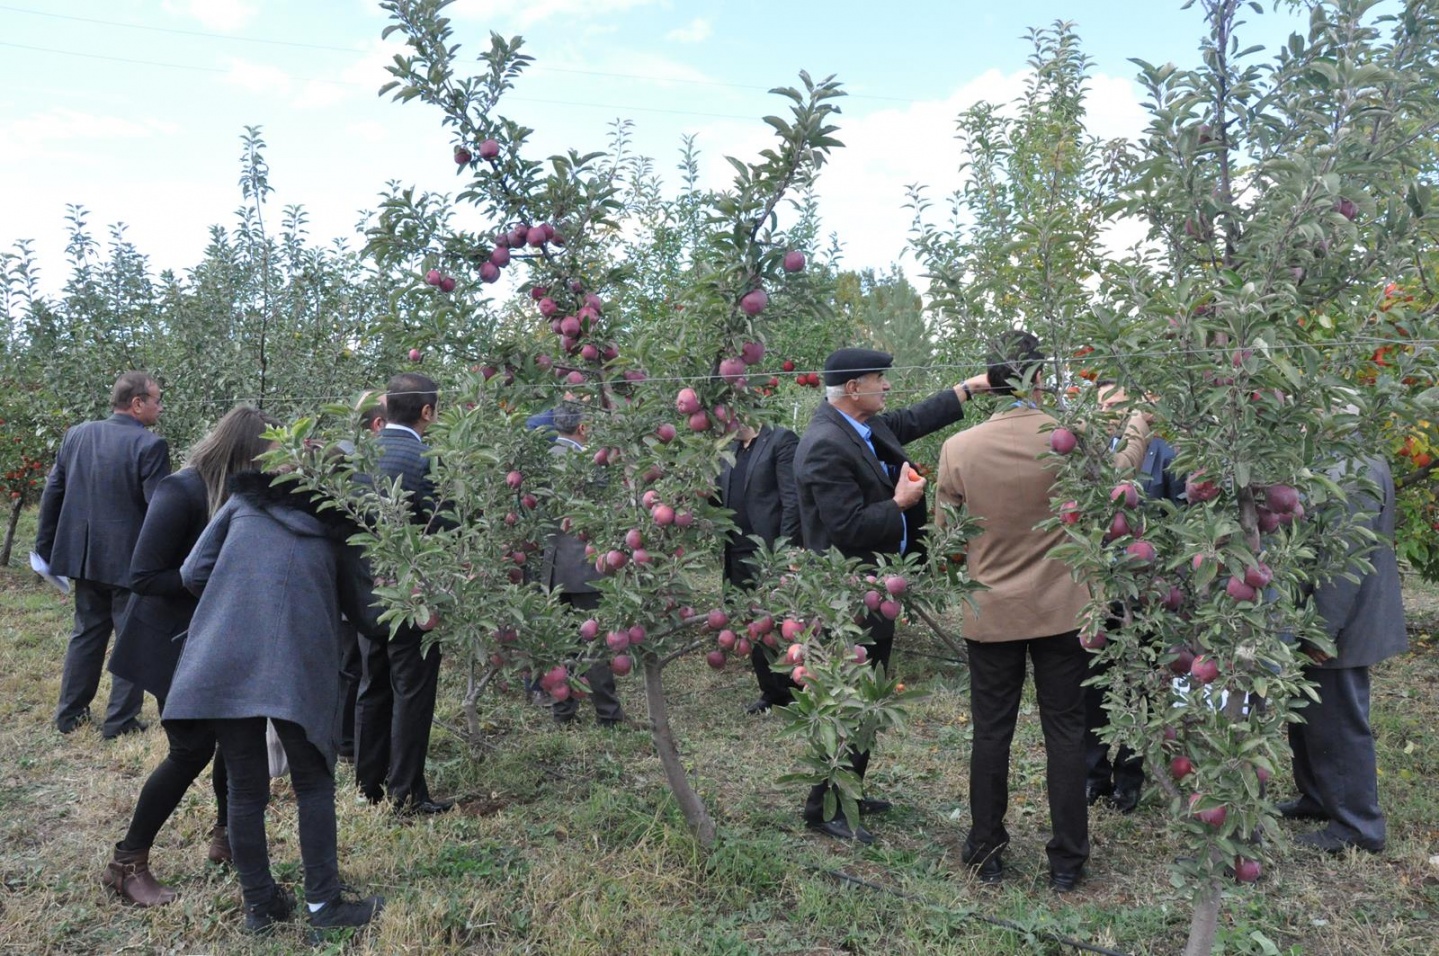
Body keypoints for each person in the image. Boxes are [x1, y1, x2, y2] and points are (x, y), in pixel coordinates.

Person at [935, 331, 1151, 892]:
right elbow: (1119, 475)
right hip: (1064, 611)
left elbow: (948, 542)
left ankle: (985, 849)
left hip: (990, 615)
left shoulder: (960, 449)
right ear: (1042, 379)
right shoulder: (1068, 440)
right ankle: (1067, 862)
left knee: (991, 732)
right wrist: (1138, 421)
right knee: (1065, 730)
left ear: (990, 382)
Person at [164, 468, 387, 934]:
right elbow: (368, 615)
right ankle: (324, 908)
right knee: (313, 782)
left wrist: (242, 598)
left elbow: (191, 573)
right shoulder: (338, 525)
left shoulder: (243, 505)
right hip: (299, 660)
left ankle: (260, 906)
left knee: (246, 789)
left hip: (228, 654)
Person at [793, 347, 992, 843]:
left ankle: (848, 792)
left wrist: (968, 388)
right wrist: (900, 503)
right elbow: (846, 527)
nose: (886, 387)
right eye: (879, 379)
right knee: (847, 700)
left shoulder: (861, 428)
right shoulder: (824, 444)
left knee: (865, 697)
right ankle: (826, 807)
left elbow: (909, 420)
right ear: (854, 388)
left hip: (875, 592)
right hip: (847, 598)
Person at [102, 406, 278, 906]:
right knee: (191, 749)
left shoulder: (243, 495)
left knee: (235, 739)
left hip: (218, 639)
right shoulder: (180, 491)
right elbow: (143, 576)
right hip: (171, 644)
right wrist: (207, 580)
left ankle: (226, 838)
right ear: (243, 453)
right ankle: (126, 862)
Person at [1282, 453, 1407, 854]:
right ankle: (1319, 797)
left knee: (1338, 721)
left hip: (1341, 622)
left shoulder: (1348, 470)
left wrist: (1321, 630)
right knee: (1311, 717)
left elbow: (1340, 561)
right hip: (1326, 617)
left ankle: (1358, 825)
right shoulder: (1345, 459)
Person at [36, 371, 170, 738]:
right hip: (130, 561)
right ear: (137, 403)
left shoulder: (76, 434)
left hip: (83, 556)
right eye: (157, 399)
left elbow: (54, 492)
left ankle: (70, 714)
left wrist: (45, 548)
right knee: (132, 639)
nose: (161, 407)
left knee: (87, 634)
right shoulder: (150, 446)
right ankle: (120, 721)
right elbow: (160, 510)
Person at [1082, 381, 1184, 813]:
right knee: (1091, 683)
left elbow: (1181, 515)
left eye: (1119, 402)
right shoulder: (1088, 453)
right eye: (1104, 402)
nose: (1111, 410)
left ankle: (1129, 775)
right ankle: (1093, 774)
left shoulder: (1166, 451)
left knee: (1139, 683)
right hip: (1095, 589)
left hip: (1145, 592)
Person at [354, 372, 453, 815]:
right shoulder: (428, 458)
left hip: (365, 592)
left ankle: (367, 783)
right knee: (412, 690)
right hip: (413, 593)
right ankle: (407, 793)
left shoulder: (359, 454)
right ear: (427, 411)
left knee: (372, 684)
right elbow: (445, 530)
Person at [538, 401, 625, 726]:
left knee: (562, 643)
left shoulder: (544, 459)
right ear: (583, 428)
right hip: (586, 566)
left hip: (553, 567)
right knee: (597, 641)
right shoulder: (589, 462)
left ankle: (563, 712)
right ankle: (608, 714)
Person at [716, 422, 803, 714]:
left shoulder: (780, 440)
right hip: (737, 552)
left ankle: (799, 689)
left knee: (785, 622)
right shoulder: (729, 448)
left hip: (770, 552)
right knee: (753, 624)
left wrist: (787, 550)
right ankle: (771, 691)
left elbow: (792, 500)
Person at [338, 394, 387, 763]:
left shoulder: (337, 455)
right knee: (356, 667)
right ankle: (349, 743)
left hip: (342, 580)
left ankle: (345, 741)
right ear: (377, 426)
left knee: (349, 665)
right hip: (357, 579)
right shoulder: (360, 462)